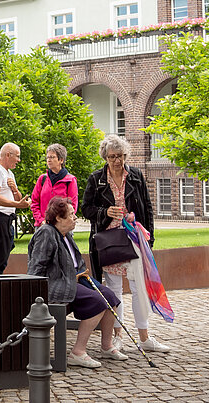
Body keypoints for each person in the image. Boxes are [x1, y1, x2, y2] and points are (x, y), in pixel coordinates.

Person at [80, 134, 170, 353]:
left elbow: (147, 208)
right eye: (112, 157)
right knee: (114, 288)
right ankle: (117, 336)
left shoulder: (136, 176)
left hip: (133, 239)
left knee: (140, 286)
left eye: (120, 156)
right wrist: (105, 212)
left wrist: (150, 238)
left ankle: (144, 337)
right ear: (105, 157)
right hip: (109, 242)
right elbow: (86, 209)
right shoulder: (96, 178)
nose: (117, 161)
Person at [28, 196, 126, 368]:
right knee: (98, 301)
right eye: (71, 214)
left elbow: (76, 262)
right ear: (58, 218)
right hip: (56, 284)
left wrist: (82, 275)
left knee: (110, 296)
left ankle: (107, 345)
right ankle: (78, 352)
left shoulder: (66, 234)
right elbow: (36, 268)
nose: (75, 218)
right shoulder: (46, 233)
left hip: (75, 279)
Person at [0, 142, 31, 274]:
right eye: (17, 157)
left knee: (1, 262)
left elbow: (17, 199)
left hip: (6, 222)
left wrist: (15, 189)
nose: (19, 160)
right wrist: (18, 205)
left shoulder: (9, 173)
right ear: (8, 155)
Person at [30, 143, 78, 227]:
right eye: (47, 157)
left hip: (63, 227)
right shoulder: (42, 179)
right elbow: (34, 202)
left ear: (61, 160)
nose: (49, 160)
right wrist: (41, 220)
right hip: (43, 226)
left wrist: (61, 221)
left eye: (52, 157)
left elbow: (73, 205)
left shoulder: (70, 180)